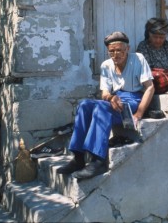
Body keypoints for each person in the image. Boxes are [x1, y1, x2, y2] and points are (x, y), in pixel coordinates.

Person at [57, 31, 154, 180]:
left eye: (120, 50)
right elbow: (104, 93)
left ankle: (97, 160)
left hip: (133, 99)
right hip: (115, 98)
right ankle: (78, 157)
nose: (116, 54)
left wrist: (138, 114)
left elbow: (149, 88)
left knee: (102, 108)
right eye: (112, 51)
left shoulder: (138, 59)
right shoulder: (106, 65)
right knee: (85, 105)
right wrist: (111, 97)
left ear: (127, 49)